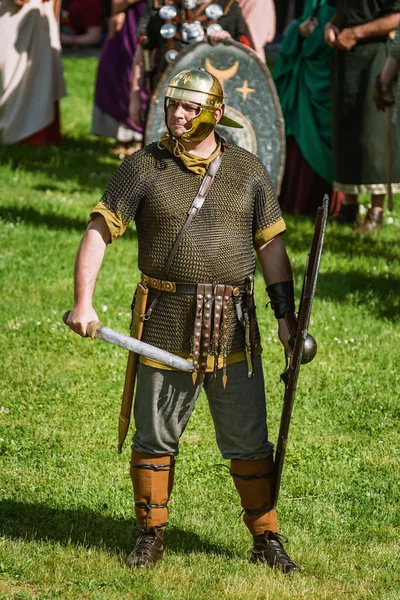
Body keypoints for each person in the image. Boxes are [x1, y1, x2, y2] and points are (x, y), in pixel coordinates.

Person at [65, 67, 299, 573]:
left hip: (233, 324)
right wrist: (83, 300)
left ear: (216, 114)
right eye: (174, 104)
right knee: (155, 437)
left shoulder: (248, 171)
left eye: (190, 107)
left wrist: (286, 318)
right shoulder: (143, 167)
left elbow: (273, 248)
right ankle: (150, 534)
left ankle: (266, 537)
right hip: (166, 318)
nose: (178, 113)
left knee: (249, 440)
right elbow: (99, 231)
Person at [325, 0, 400, 232]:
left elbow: (397, 17)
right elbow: (341, 10)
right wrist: (331, 26)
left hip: (376, 57)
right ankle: (349, 207)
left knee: (373, 133)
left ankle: (376, 212)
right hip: (345, 59)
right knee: (346, 128)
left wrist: (356, 33)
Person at [129, 0, 251, 127]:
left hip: (209, 105)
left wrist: (228, 43)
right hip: (165, 101)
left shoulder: (229, 7)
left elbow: (245, 60)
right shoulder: (159, 5)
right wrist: (135, 98)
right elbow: (143, 54)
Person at [274, 0, 343, 216]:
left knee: (326, 137)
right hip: (305, 76)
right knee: (299, 130)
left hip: (329, 74)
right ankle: (296, 200)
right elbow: (302, 22)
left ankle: (329, 204)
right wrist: (300, 31)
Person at [0, 0, 66, 146]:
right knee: (11, 68)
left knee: (40, 71)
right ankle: (13, 130)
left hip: (40, 13)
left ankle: (38, 133)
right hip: (13, 14)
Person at [91, 0, 147, 157]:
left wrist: (119, 6)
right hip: (129, 16)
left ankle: (141, 137)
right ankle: (122, 137)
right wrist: (118, 10)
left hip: (149, 13)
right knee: (117, 72)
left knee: (141, 73)